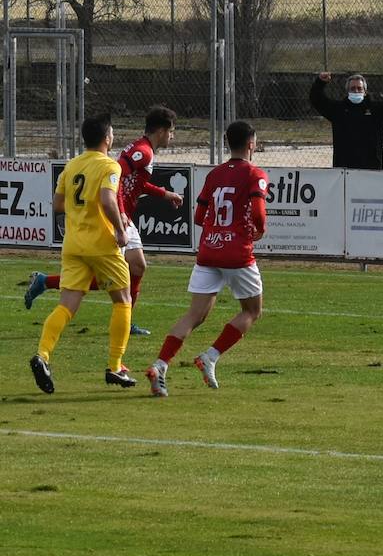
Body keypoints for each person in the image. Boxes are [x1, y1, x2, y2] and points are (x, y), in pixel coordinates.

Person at [25, 106, 183, 339]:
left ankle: (48, 282)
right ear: (161, 130)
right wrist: (120, 213)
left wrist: (164, 193)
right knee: (118, 276)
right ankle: (49, 283)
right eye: (172, 131)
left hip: (122, 215)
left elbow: (133, 181)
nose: (173, 136)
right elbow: (118, 176)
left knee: (136, 268)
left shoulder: (143, 149)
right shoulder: (144, 152)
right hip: (118, 217)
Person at [146, 121, 268, 397]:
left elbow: (199, 217)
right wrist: (257, 230)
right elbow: (259, 214)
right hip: (237, 253)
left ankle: (160, 364)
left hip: (209, 250)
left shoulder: (214, 175)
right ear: (251, 143)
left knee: (194, 315)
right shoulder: (255, 173)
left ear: (227, 143)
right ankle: (210, 356)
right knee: (252, 311)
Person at [29, 115, 140, 393]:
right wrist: (119, 230)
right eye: (112, 134)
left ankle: (42, 355)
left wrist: (80, 213)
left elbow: (57, 204)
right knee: (123, 299)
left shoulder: (72, 165)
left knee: (67, 305)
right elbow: (107, 198)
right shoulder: (109, 165)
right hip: (101, 244)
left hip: (74, 243)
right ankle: (115, 366)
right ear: (107, 138)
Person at [309, 72, 383, 170]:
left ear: (365, 91)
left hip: (371, 166)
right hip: (344, 167)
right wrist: (320, 82)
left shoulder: (376, 110)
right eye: (352, 88)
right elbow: (317, 99)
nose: (356, 91)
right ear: (347, 91)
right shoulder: (338, 110)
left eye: (359, 88)